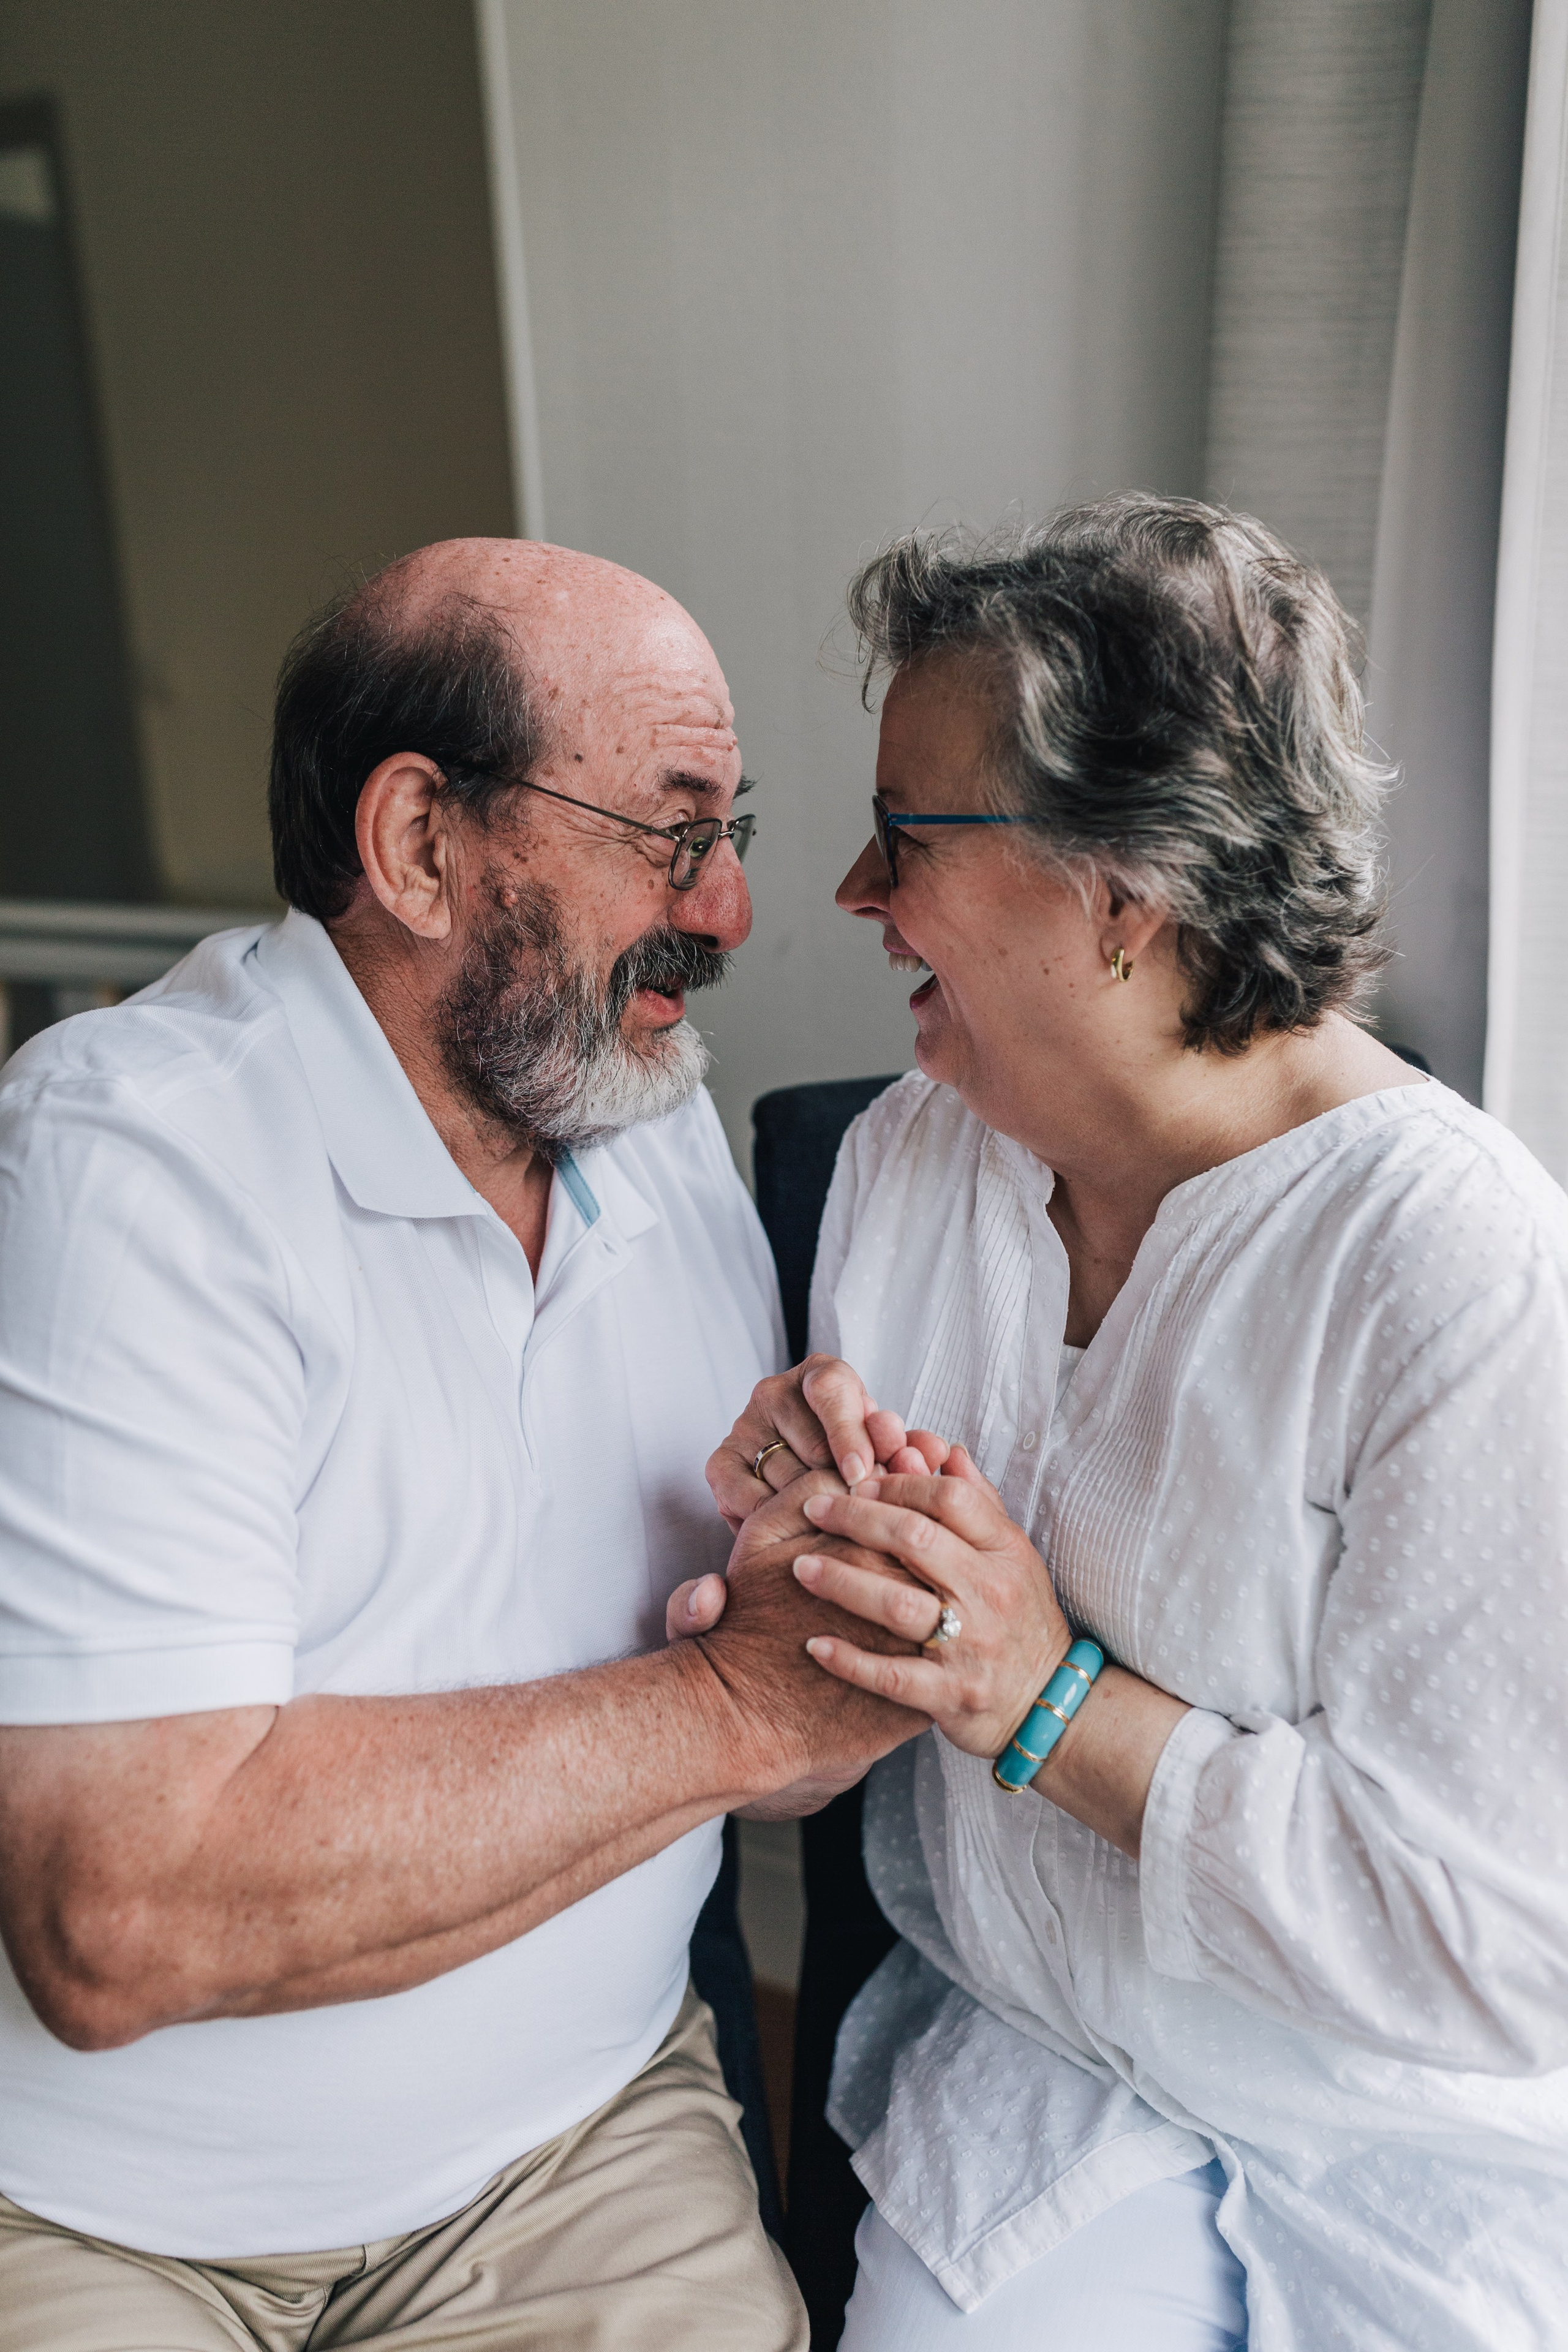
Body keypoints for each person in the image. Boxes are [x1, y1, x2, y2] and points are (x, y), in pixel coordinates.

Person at [0, 538, 919, 2352]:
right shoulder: (126, 1167)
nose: (731, 908)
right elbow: (119, 1925)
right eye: (670, 833)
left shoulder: (635, 1106)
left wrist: (824, 1627)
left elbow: (786, 1761)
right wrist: (726, 1707)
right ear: (419, 843)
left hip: (575, 2151)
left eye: (731, 831)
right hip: (102, 2216)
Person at [699, 497, 1568, 2350]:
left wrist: (1047, 1700)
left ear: (1126, 892)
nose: (851, 896)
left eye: (907, 836)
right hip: (1037, 2080)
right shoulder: (904, 1169)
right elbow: (808, 1759)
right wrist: (810, 1584)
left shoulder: (1458, 1274)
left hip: (1410, 2143)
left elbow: (1495, 1949)